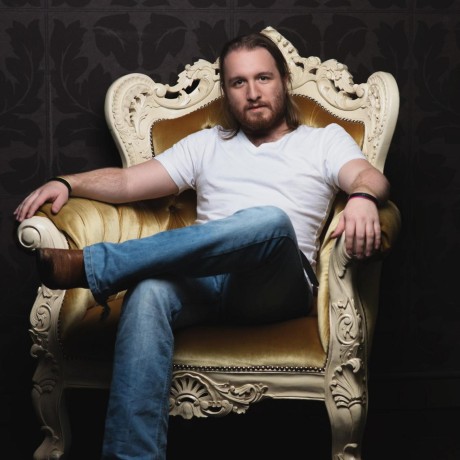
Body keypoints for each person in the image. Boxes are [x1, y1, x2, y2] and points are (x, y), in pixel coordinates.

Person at [15, 32, 389, 459]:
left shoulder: (323, 140)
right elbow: (128, 182)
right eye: (238, 82)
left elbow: (370, 176)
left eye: (263, 78)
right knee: (148, 291)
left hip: (276, 286)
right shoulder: (206, 144)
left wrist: (362, 197)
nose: (252, 92)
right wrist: (67, 182)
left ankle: (99, 266)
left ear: (284, 82)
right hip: (206, 282)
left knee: (269, 220)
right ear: (226, 91)